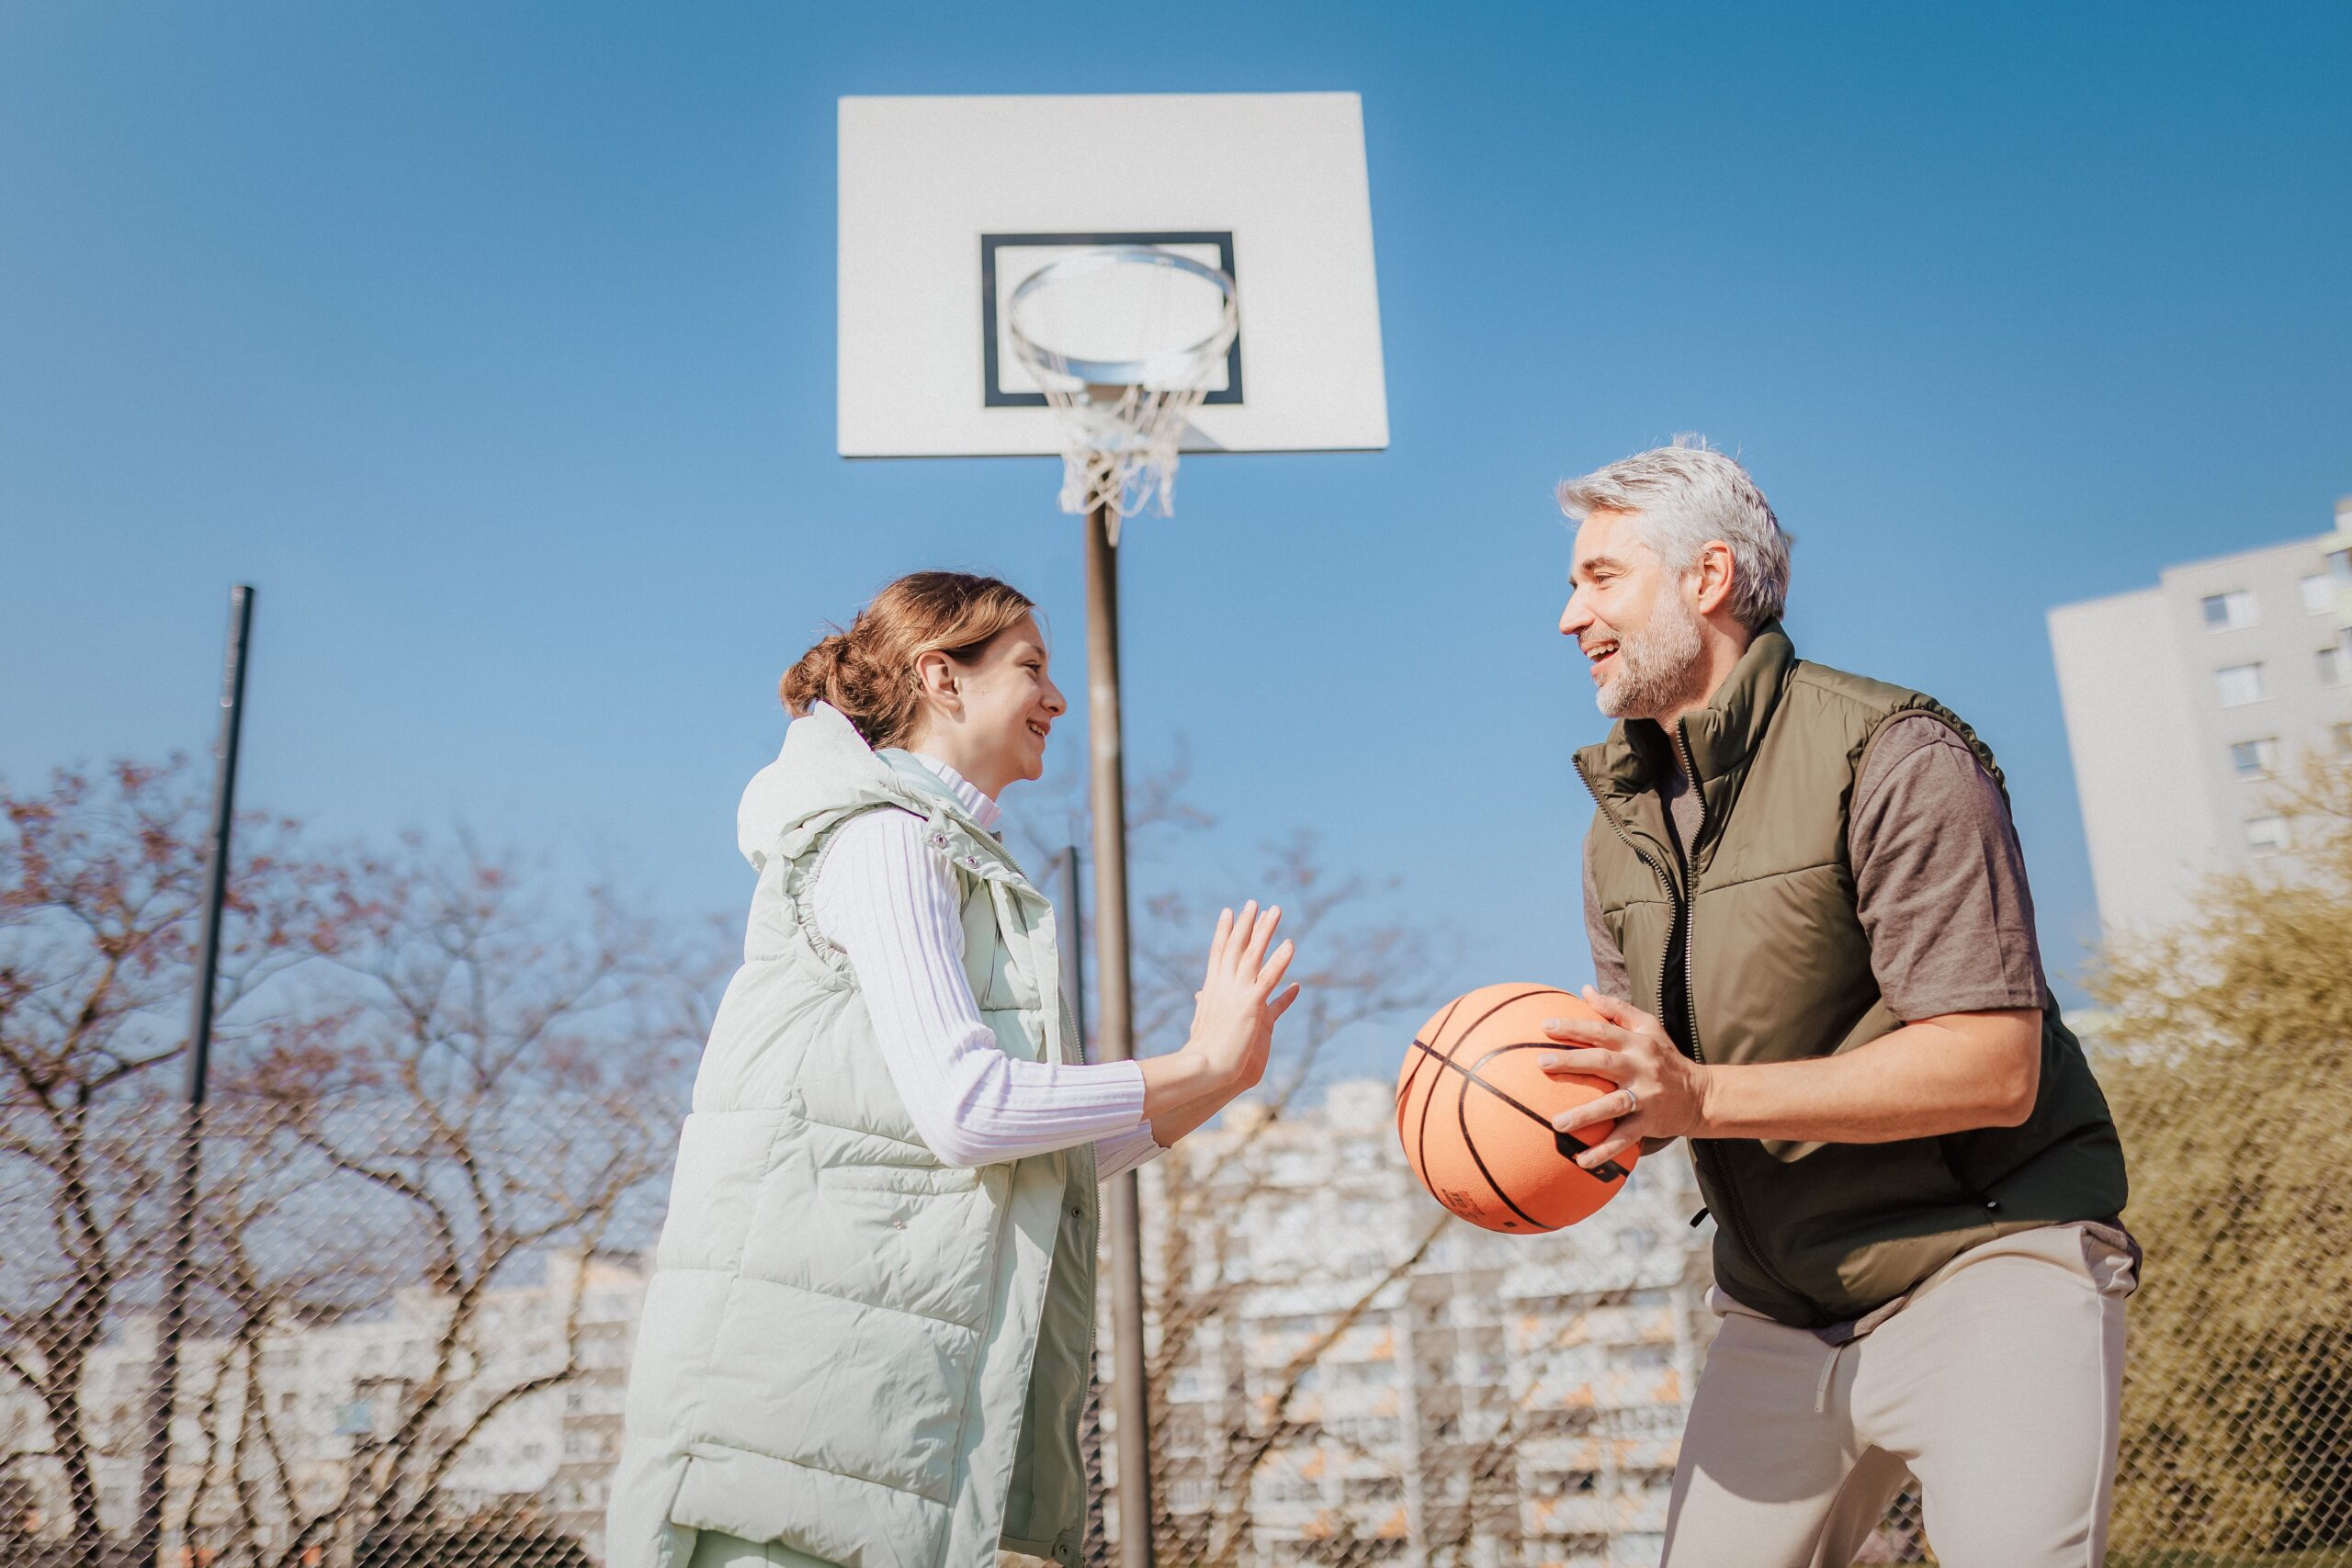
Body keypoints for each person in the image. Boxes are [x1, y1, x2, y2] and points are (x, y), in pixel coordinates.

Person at [606, 571, 1298, 1568]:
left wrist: (1213, 1083)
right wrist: (1184, 1062)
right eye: (1030, 668)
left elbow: (1005, 1160)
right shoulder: (885, 841)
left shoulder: (941, 854)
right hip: (796, 1428)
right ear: (942, 678)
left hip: (852, 1424)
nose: (1054, 699)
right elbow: (969, 1112)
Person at [1538, 442, 2134, 1568]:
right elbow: (1652, 1099)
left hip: (1983, 1259)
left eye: (1600, 577)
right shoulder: (1614, 829)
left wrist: (1700, 1094)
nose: (1571, 616)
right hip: (1776, 1303)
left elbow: (1989, 1065)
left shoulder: (1897, 755)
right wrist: (1542, 1123)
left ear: (1707, 578)